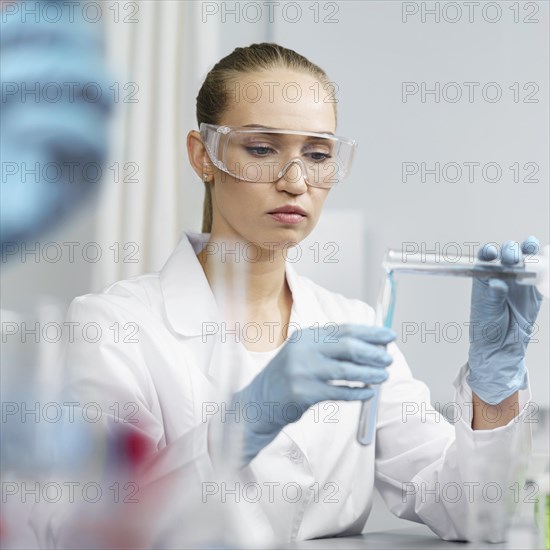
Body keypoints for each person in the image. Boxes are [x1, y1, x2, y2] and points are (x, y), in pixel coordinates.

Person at [31, 43, 543, 548]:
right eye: (261, 149)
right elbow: (89, 528)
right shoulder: (114, 326)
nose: (295, 181)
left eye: (317, 154)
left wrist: (492, 385)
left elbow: (471, 512)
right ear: (203, 156)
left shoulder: (353, 323)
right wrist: (249, 417)